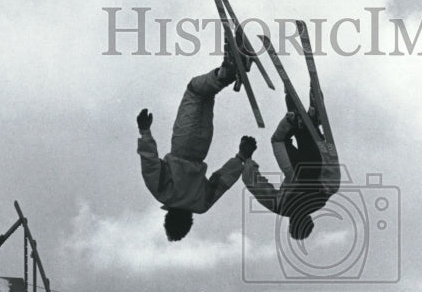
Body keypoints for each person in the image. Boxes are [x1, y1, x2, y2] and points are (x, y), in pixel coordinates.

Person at [137, 44, 254, 242]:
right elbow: (150, 163)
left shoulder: (201, 205)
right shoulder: (163, 194)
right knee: (194, 91)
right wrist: (145, 131)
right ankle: (227, 72)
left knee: (206, 95)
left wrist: (241, 157)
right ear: (168, 217)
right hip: (183, 144)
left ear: (189, 222)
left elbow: (221, 182)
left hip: (202, 147)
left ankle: (232, 68)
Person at [241, 96, 341, 240]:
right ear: (291, 223)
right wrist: (246, 158)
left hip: (315, 164)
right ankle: (293, 121)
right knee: (278, 140)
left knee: (305, 133)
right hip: (299, 169)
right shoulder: (281, 207)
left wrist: (326, 149)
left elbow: (333, 183)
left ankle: (308, 122)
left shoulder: (318, 203)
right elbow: (254, 185)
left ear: (309, 219)